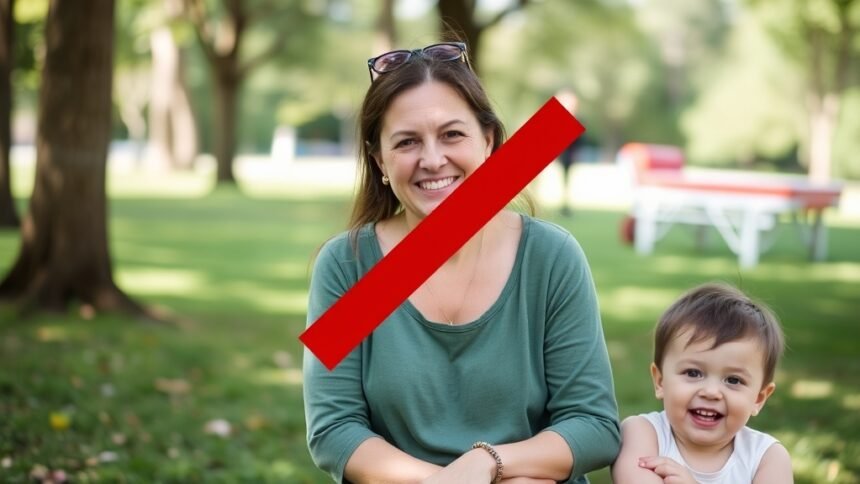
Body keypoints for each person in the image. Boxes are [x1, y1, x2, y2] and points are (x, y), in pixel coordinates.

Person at [303, 41, 620, 483]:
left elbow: (594, 425)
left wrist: (488, 463)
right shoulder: (348, 263)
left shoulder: (550, 255)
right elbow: (334, 431)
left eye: (452, 134)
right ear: (379, 160)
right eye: (407, 141)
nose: (433, 160)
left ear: (488, 141)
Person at [611, 283, 793, 483]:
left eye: (733, 380)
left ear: (758, 398)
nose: (711, 392)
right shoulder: (642, 433)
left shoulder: (767, 458)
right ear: (660, 381)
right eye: (693, 373)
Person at [554, 89, 584, 217]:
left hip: (568, 155)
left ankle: (565, 207)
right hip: (564, 155)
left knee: (566, 182)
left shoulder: (573, 120)